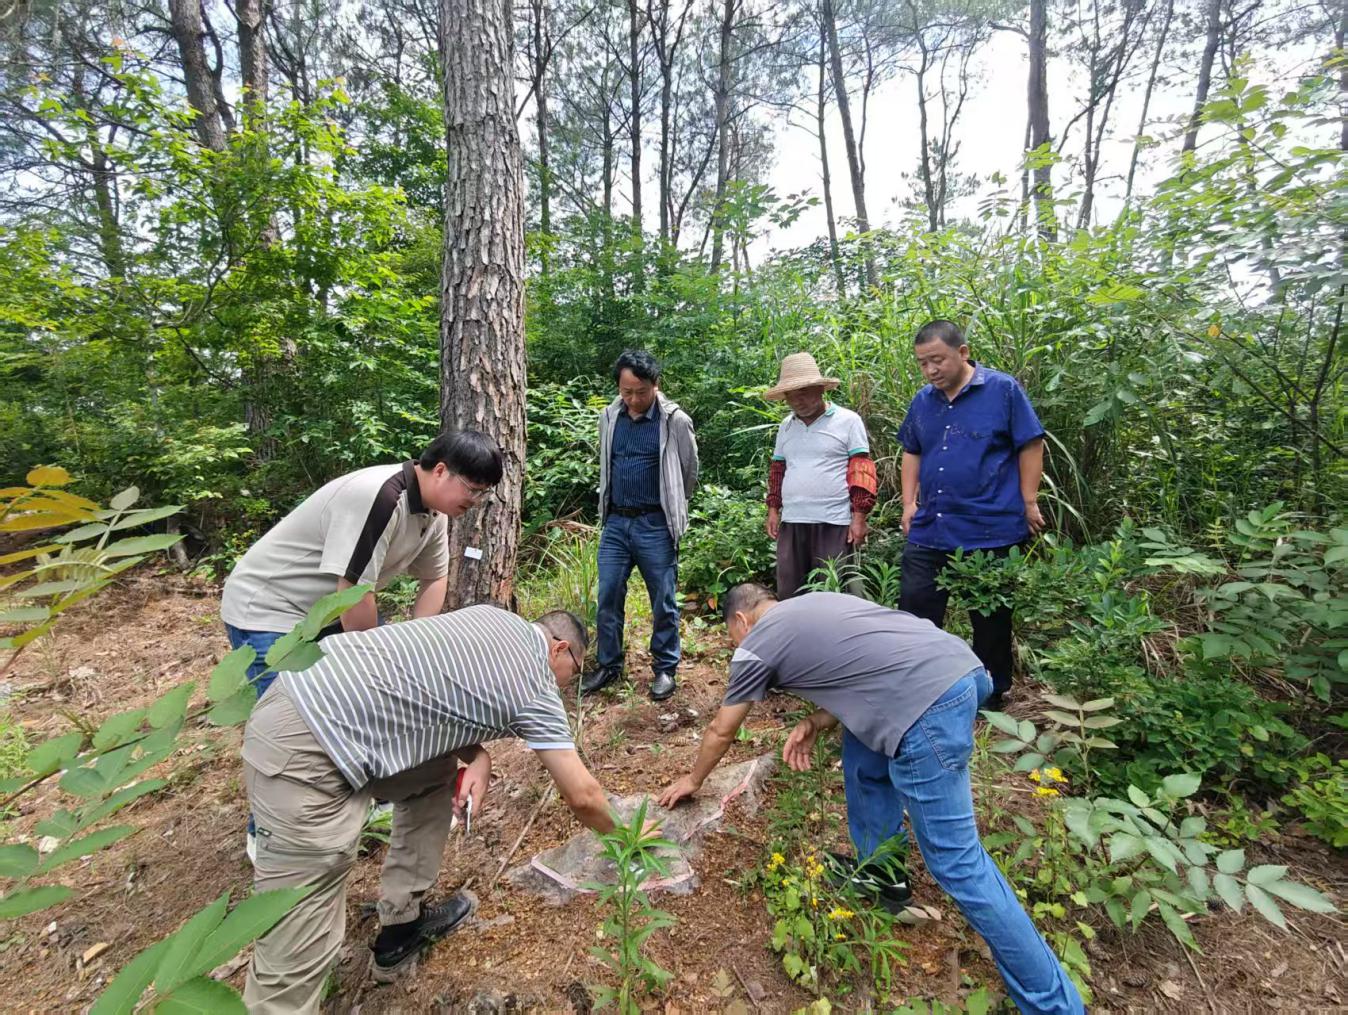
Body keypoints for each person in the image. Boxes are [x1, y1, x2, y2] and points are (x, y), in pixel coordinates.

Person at [658, 585, 1084, 1015]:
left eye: (734, 638)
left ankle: (1054, 1004)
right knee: (863, 752)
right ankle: (881, 875)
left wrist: (693, 780)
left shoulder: (758, 641)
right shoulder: (817, 602)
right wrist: (818, 719)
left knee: (959, 863)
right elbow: (872, 669)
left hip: (927, 705)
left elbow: (722, 729)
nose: (737, 649)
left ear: (740, 621)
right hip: (961, 668)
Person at [242, 605, 623, 1013]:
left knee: (434, 773)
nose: (569, 685)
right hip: (307, 748)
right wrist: (631, 839)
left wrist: (478, 756)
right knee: (298, 935)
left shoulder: (490, 618)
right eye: (576, 672)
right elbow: (583, 796)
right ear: (559, 650)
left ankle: (401, 928)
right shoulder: (535, 683)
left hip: (303, 694)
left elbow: (422, 686)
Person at [221, 429, 505, 700]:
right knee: (292, 719)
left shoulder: (435, 513)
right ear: (441, 471)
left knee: (356, 705)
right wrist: (376, 664)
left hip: (327, 612)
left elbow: (435, 577)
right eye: (473, 490)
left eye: (484, 493)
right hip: (270, 610)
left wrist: (420, 644)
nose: (477, 502)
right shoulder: (381, 497)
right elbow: (353, 590)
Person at [897, 321, 1046, 708]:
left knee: (991, 617)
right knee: (916, 611)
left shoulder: (1002, 390)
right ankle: (922, 688)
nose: (930, 370)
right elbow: (911, 450)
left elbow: (1030, 444)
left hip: (990, 526)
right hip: (932, 525)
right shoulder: (923, 401)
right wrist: (908, 503)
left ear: (962, 353)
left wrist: (1029, 501)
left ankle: (991, 693)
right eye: (923, 363)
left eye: (937, 360)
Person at [581, 350, 699, 701]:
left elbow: (689, 471)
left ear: (655, 385)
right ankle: (609, 664)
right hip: (617, 522)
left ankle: (665, 667)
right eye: (626, 391)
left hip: (655, 524)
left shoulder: (673, 420)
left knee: (662, 599)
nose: (633, 399)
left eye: (641, 391)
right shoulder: (609, 416)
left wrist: (673, 506)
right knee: (608, 596)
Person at [762, 352, 877, 598]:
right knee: (791, 591)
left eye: (803, 392)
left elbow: (861, 470)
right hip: (793, 521)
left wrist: (859, 518)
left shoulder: (848, 421)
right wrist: (773, 509)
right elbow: (778, 470)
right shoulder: (786, 426)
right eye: (791, 396)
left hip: (833, 522)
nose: (798, 400)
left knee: (834, 593)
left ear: (820, 389)